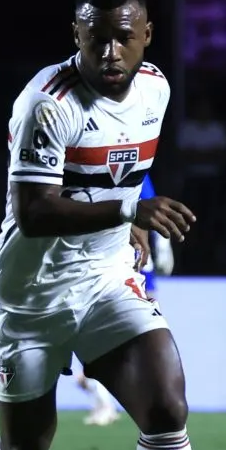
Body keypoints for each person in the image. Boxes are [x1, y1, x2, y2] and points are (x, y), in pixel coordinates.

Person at [0, 0, 223, 450]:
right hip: (29, 296)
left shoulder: (156, 90)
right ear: (76, 37)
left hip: (107, 281)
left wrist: (137, 220)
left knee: (167, 404)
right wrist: (128, 210)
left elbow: (129, 167)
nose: (111, 53)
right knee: (27, 444)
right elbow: (34, 210)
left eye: (124, 38)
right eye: (97, 40)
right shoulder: (47, 102)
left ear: (146, 35)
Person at [81, 173, 173, 427]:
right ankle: (106, 402)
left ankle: (144, 401)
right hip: (95, 265)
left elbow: (154, 208)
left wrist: (163, 246)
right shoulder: (88, 165)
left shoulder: (135, 169)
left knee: (143, 341)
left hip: (132, 264)